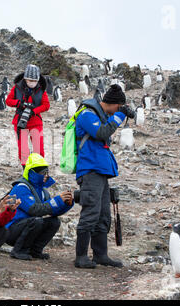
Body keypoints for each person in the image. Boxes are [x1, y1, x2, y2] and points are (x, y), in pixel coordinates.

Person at [74, 84, 135, 269]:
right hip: (90, 170)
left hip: (100, 172)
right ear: (112, 103)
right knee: (90, 212)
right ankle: (81, 256)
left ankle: (100, 255)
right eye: (118, 107)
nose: (117, 111)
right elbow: (101, 133)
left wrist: (118, 114)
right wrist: (120, 115)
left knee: (103, 215)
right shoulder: (87, 114)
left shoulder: (101, 116)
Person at [6, 153, 74, 260]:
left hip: (26, 227)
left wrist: (65, 204)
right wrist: (57, 200)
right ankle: (19, 251)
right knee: (36, 220)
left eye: (47, 172)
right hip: (10, 230)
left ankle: (35, 251)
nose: (46, 175)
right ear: (33, 173)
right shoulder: (20, 187)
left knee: (54, 222)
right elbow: (34, 210)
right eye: (43, 172)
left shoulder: (42, 191)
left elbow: (52, 211)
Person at [6, 64, 50, 168]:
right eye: (30, 80)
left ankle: (39, 169)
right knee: (23, 149)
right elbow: (8, 101)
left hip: (35, 122)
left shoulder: (41, 89)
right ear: (25, 79)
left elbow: (46, 105)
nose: (32, 83)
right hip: (21, 122)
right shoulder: (17, 87)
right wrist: (19, 104)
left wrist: (34, 111)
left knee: (38, 148)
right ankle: (25, 170)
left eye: (34, 81)